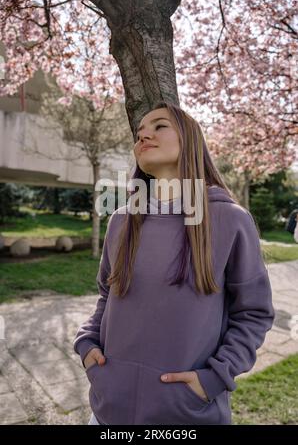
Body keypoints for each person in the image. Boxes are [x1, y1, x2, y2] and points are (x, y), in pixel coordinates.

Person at [73, 101, 275, 425]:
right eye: (139, 133)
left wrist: (212, 379)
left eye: (159, 126)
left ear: (190, 139)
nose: (144, 136)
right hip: (108, 411)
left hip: (187, 417)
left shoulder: (230, 220)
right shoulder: (121, 221)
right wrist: (87, 344)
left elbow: (253, 313)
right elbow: (106, 296)